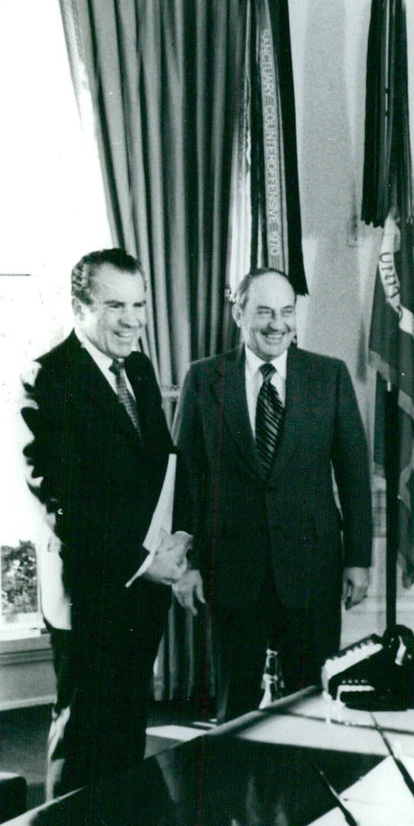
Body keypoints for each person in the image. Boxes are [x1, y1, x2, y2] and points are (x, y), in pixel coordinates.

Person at [21, 249, 190, 798]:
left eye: (139, 304)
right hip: (93, 590)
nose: (132, 319)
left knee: (125, 734)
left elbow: (160, 464)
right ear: (79, 307)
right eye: (115, 305)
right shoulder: (47, 378)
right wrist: (144, 563)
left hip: (144, 591)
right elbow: (61, 503)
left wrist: (176, 546)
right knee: (82, 739)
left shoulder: (137, 367)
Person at [173, 267, 373, 722]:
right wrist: (189, 564)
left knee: (311, 705)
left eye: (286, 311)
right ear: (239, 313)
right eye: (263, 311)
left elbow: (354, 477)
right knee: (234, 710)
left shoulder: (330, 376)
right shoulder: (204, 379)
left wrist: (358, 559)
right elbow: (188, 479)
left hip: (312, 568)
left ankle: (308, 793)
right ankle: (235, 793)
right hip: (232, 572)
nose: (276, 324)